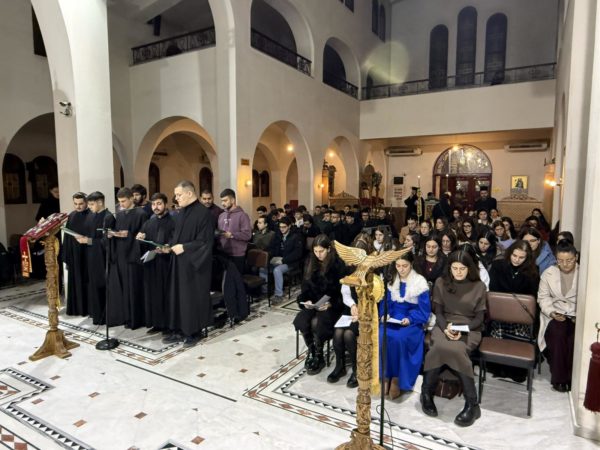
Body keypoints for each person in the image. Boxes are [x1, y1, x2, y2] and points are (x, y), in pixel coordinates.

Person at [420, 250, 487, 427]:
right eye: (455, 268)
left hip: (470, 327)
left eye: (462, 268)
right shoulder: (441, 282)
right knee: (438, 347)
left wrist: (462, 330)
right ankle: (426, 393)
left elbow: (479, 318)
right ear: (449, 268)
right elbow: (439, 312)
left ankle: (472, 404)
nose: (458, 272)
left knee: (457, 350)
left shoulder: (479, 286)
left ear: (469, 268)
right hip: (445, 323)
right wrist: (446, 328)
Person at [163, 180, 214, 347]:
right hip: (179, 263)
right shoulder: (181, 212)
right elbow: (175, 235)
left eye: (179, 195)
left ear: (189, 193)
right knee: (177, 297)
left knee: (191, 298)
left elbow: (205, 242)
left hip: (194, 266)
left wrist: (184, 247)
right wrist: (169, 246)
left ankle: (194, 332)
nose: (176, 198)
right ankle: (178, 329)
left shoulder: (204, 213)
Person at [293, 234, 346, 375]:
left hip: (332, 305)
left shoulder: (338, 264)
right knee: (302, 320)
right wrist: (306, 300)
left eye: (321, 251)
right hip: (315, 302)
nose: (318, 255)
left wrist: (330, 303)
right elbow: (305, 287)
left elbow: (342, 292)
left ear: (328, 249)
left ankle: (319, 354)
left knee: (318, 322)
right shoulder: (310, 261)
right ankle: (312, 350)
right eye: (315, 251)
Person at [380, 251, 431, 398]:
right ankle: (385, 375)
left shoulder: (419, 282)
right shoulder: (392, 280)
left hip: (413, 320)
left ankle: (398, 378)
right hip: (393, 317)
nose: (401, 269)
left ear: (411, 264)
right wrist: (385, 314)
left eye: (405, 266)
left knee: (400, 338)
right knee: (382, 335)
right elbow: (386, 302)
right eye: (398, 266)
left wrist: (410, 319)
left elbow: (424, 311)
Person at [328, 233, 373, 387]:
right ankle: (339, 366)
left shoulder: (373, 271)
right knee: (338, 332)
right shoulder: (349, 269)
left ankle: (356, 369)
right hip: (352, 308)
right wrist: (353, 305)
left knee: (348, 334)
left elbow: (376, 296)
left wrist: (362, 310)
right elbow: (345, 292)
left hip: (368, 312)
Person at [537, 240, 578, 392]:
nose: (565, 264)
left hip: (576, 314)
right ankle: (559, 380)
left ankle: (572, 378)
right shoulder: (549, 273)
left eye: (569, 260)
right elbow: (543, 297)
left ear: (576, 257)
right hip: (556, 313)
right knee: (558, 334)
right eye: (560, 261)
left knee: (573, 339)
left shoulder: (584, 273)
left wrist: (579, 315)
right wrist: (552, 312)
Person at [106, 187, 149, 329]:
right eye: (119, 201)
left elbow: (144, 235)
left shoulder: (141, 214)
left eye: (124, 201)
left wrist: (129, 235)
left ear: (131, 198)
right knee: (124, 288)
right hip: (121, 256)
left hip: (134, 257)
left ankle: (136, 319)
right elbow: (118, 231)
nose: (121, 204)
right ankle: (126, 316)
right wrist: (112, 234)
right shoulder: (120, 214)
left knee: (134, 288)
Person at [136, 193, 175, 333]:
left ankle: (169, 325)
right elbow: (142, 240)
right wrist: (140, 238)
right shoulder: (149, 222)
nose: (156, 207)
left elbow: (176, 240)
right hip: (152, 264)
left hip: (166, 264)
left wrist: (168, 246)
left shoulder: (173, 221)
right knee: (153, 294)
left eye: (159, 203)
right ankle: (156, 323)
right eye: (153, 204)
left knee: (166, 294)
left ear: (165, 204)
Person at [76, 191, 115, 325]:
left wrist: (89, 241)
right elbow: (88, 232)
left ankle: (104, 316)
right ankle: (95, 313)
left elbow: (107, 241)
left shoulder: (108, 217)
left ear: (100, 202)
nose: (90, 207)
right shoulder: (91, 216)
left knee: (101, 284)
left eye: (92, 204)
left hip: (101, 257)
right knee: (92, 285)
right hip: (91, 255)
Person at [63, 192, 90, 317]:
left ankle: (87, 309)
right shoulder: (72, 216)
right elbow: (67, 237)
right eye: (75, 204)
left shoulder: (91, 215)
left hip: (87, 254)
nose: (78, 206)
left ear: (86, 202)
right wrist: (67, 256)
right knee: (75, 281)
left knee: (87, 282)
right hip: (74, 254)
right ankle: (76, 308)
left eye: (81, 204)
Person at [266, 216, 304, 304]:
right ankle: (266, 290)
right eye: (280, 227)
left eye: (284, 227)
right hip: (279, 259)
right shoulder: (278, 235)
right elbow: (272, 247)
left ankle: (278, 295)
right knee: (263, 267)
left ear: (289, 226)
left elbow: (297, 253)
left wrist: (283, 260)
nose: (282, 229)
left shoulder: (296, 236)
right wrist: (270, 257)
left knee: (277, 270)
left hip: (291, 262)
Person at [217, 189, 252, 275]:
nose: (222, 203)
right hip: (223, 253)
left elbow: (247, 235)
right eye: (221, 201)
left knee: (236, 280)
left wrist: (232, 235)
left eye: (225, 200)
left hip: (237, 255)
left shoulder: (242, 215)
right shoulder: (221, 215)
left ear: (232, 200)